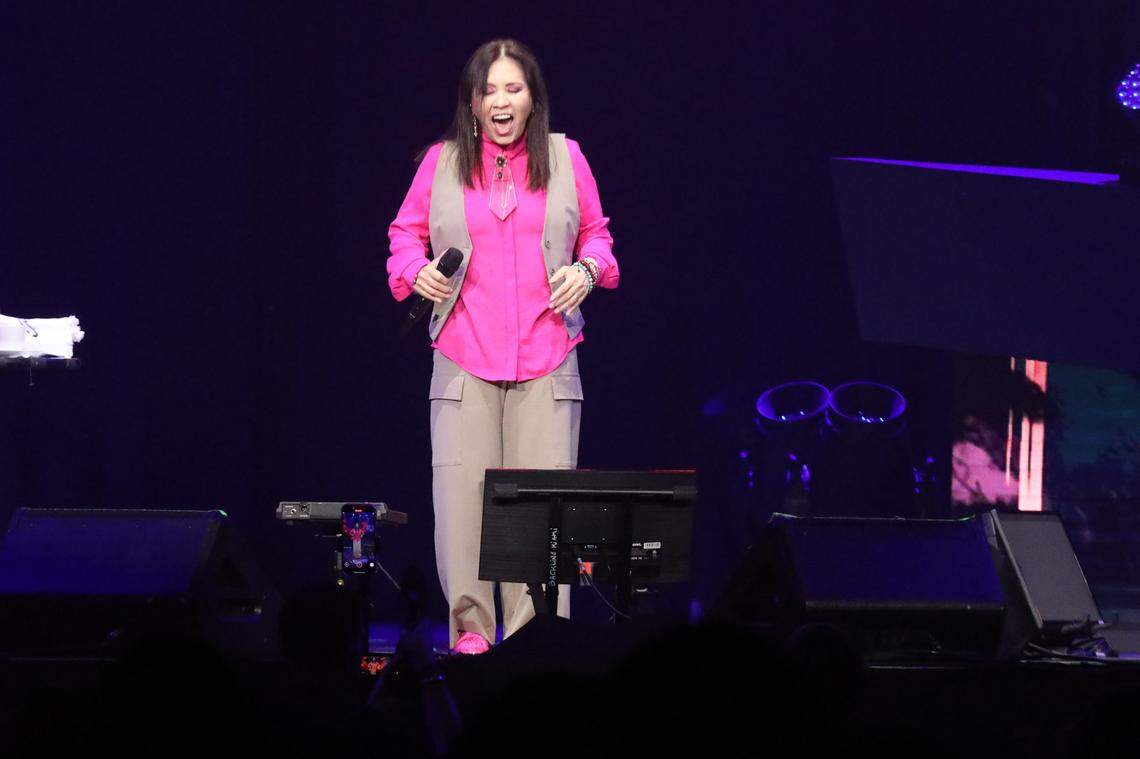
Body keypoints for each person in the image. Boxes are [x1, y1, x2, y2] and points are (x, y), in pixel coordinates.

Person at [386, 39, 619, 654]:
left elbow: (598, 238)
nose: (500, 101)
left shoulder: (566, 159)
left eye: (512, 88)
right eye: (488, 90)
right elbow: (403, 235)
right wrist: (415, 270)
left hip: (546, 358)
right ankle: (472, 637)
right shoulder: (440, 162)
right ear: (471, 103)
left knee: (542, 513)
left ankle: (536, 641)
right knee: (463, 505)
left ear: (533, 98)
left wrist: (587, 271)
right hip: (464, 358)